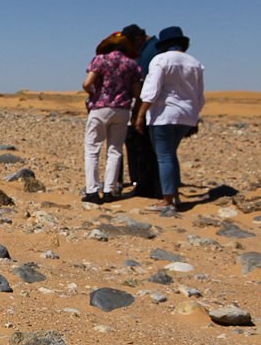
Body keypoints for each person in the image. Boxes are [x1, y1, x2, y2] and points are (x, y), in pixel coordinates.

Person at [135, 26, 205, 212]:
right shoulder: (195, 62)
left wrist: (141, 114)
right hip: (186, 115)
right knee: (171, 154)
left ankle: (168, 200)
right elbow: (199, 95)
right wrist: (195, 118)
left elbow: (151, 90)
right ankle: (174, 195)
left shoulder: (161, 59)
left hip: (164, 114)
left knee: (164, 156)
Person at [81, 32, 142, 203]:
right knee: (115, 151)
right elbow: (137, 92)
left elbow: (87, 83)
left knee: (92, 149)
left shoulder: (100, 60)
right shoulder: (132, 64)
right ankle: (109, 190)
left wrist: (94, 94)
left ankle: (92, 190)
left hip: (100, 108)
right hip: (122, 110)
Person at [119, 24, 161, 197]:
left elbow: (145, 85)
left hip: (148, 106)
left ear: (136, 39)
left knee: (141, 146)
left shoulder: (151, 52)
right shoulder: (151, 49)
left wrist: (139, 113)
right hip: (149, 107)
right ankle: (148, 184)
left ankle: (145, 187)